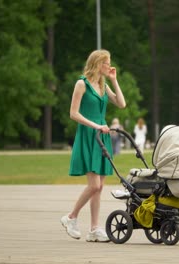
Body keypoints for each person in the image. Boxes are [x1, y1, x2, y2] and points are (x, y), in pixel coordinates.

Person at [60, 49, 126, 242]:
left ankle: (94, 229)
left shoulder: (103, 85)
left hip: (101, 134)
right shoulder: (82, 84)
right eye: (107, 63)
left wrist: (114, 79)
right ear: (98, 64)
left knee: (100, 186)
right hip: (89, 134)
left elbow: (121, 104)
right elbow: (73, 114)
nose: (110, 66)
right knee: (94, 185)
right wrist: (96, 125)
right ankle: (71, 217)